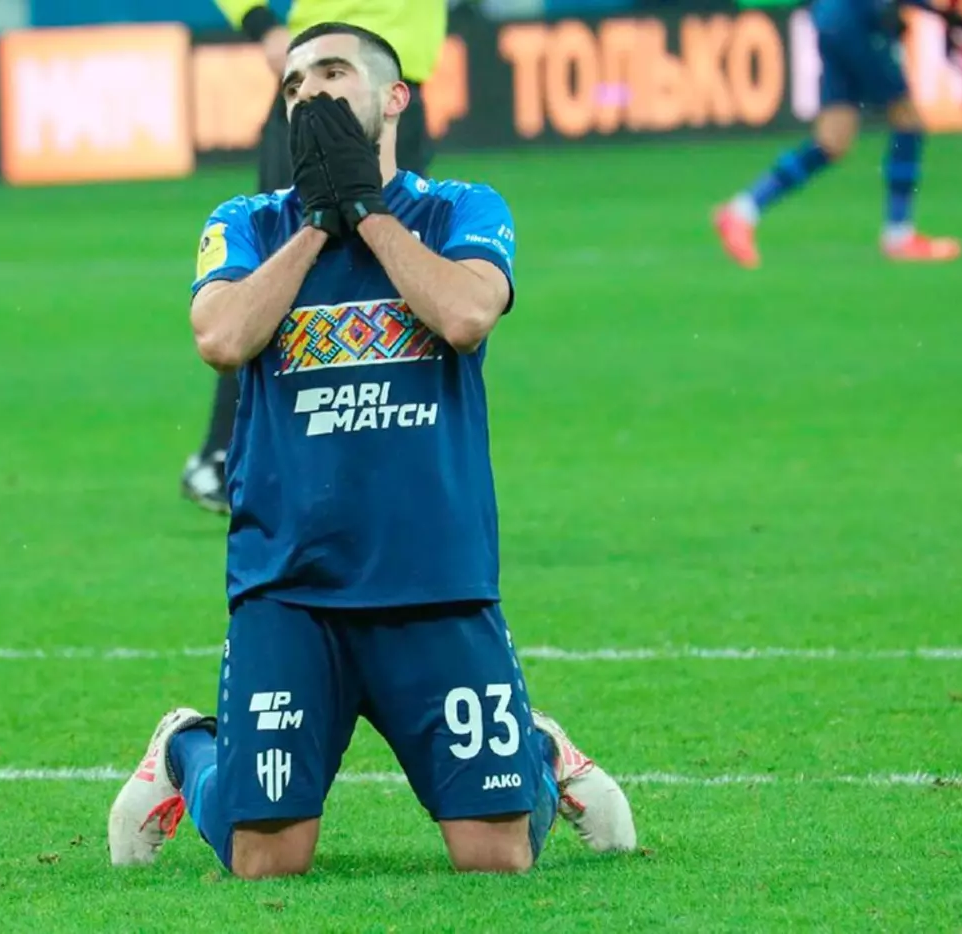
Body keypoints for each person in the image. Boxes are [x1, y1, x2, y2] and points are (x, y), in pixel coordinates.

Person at [110, 22, 636, 879]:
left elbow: (465, 316)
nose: (308, 94)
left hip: (434, 579)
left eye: (331, 73)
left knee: (495, 858)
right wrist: (319, 225)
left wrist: (370, 213)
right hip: (291, 584)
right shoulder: (248, 222)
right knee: (266, 859)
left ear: (394, 98)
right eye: (293, 84)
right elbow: (222, 338)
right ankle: (187, 749)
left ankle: (538, 753)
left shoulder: (461, 210)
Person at [182, 0, 448, 514]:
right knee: (285, 265)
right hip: (323, 89)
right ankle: (225, 452)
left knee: (390, 267)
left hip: (396, 90)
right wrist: (260, 23)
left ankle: (359, 459)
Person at [713, 0, 962, 267]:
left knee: (832, 139)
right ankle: (899, 234)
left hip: (830, 18)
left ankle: (742, 210)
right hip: (860, 20)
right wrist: (940, 14)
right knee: (908, 120)